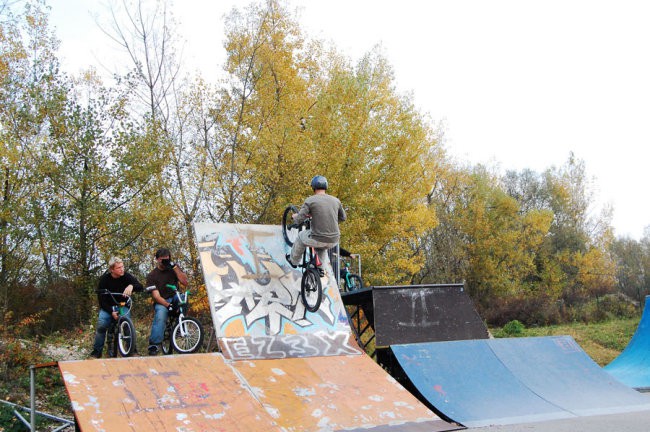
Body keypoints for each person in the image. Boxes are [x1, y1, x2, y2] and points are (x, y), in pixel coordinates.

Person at [286, 175, 346, 269]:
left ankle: (294, 261)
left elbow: (299, 219)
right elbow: (343, 218)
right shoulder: (336, 201)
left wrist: (295, 217)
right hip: (334, 240)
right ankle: (321, 269)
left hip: (317, 238)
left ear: (313, 187)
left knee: (301, 237)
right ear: (326, 186)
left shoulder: (310, 200)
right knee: (322, 247)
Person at [90, 257, 143, 358]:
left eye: (122, 266)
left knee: (127, 324)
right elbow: (102, 300)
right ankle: (96, 352)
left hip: (123, 305)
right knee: (101, 325)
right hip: (108, 307)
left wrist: (131, 286)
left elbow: (140, 287)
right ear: (112, 270)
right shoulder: (104, 280)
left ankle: (132, 351)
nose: (122, 269)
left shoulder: (126, 276)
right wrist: (111, 311)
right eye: (119, 268)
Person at [146, 248, 189, 356]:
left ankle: (180, 327)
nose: (165, 262)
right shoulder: (152, 275)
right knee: (160, 315)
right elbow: (156, 296)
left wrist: (174, 267)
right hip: (161, 301)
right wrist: (167, 305)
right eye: (162, 260)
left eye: (167, 259)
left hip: (174, 296)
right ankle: (154, 345)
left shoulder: (173, 269)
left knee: (183, 298)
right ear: (157, 259)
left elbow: (185, 282)